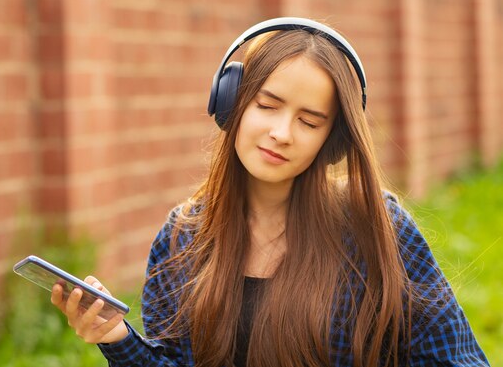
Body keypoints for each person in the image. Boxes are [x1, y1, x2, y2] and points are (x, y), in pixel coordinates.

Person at [51, 18, 490, 367]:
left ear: (332, 141)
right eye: (267, 105)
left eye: (309, 121)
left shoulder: (377, 226)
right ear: (231, 102)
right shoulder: (183, 234)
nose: (281, 133)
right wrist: (117, 339)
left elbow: (460, 360)